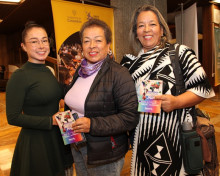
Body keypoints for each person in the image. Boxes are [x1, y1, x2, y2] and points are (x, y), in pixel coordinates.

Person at [120, 5, 215, 176]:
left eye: (152, 24)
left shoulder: (180, 53)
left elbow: (202, 88)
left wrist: (177, 102)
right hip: (141, 143)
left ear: (162, 29)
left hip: (176, 140)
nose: (147, 29)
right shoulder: (128, 64)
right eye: (141, 25)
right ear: (135, 32)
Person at [64, 18, 139, 176]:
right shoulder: (80, 70)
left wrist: (92, 124)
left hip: (104, 152)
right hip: (77, 143)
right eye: (86, 41)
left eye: (98, 40)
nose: (92, 46)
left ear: (108, 44)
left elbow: (130, 117)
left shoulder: (119, 74)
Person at [6, 21, 73, 176]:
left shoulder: (49, 70)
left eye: (44, 40)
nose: (41, 45)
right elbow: (13, 117)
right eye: (34, 41)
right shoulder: (19, 76)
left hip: (56, 137)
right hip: (36, 143)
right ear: (23, 46)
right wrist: (50, 121)